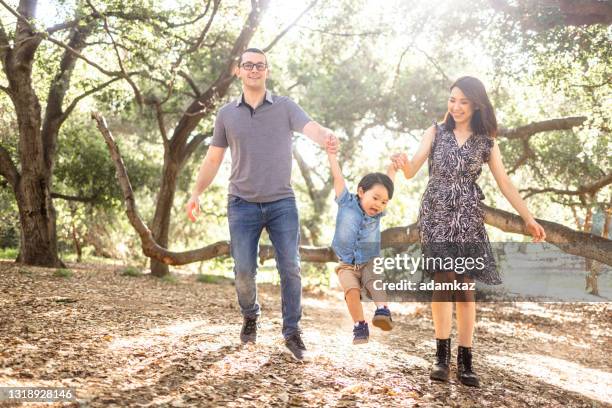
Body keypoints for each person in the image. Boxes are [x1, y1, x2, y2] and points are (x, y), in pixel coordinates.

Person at [392, 76, 546, 387]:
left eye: (463, 101)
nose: (456, 106)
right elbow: (412, 172)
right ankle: (440, 357)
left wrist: (528, 217)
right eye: (452, 100)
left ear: (476, 105)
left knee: (465, 286)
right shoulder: (435, 131)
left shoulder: (487, 142)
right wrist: (401, 163)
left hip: (468, 216)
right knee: (443, 280)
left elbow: (505, 184)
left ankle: (465, 360)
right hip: (436, 213)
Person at [186, 48, 338, 361]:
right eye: (248, 65)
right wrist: (196, 193)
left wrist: (327, 137)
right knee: (243, 271)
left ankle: (292, 331)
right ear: (238, 71)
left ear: (266, 71)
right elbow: (214, 157)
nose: (254, 69)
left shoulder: (285, 107)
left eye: (260, 65)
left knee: (291, 267)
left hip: (281, 201)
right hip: (241, 204)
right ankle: (250, 315)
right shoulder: (227, 114)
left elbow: (312, 129)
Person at [326, 136, 397, 344]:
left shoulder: (377, 215)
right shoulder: (346, 202)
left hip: (369, 260)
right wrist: (332, 155)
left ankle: (383, 311)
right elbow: (338, 177)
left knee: (374, 280)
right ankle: (360, 325)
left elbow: (388, 183)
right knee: (351, 290)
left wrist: (393, 167)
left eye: (384, 202)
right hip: (346, 263)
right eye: (375, 198)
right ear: (360, 192)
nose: (379, 204)